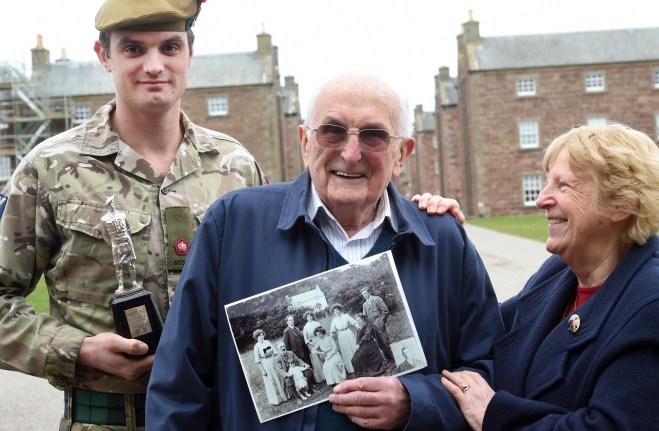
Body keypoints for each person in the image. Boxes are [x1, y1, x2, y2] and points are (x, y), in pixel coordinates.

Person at [146, 72, 504, 430]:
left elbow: (488, 369)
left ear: (402, 154)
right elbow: (180, 383)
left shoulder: (442, 241)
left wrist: (416, 402)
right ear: (305, 142)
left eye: (374, 136)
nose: (351, 154)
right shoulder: (234, 223)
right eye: (332, 131)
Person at [0, 1, 266, 429]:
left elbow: (278, 284)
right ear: (104, 55)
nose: (155, 65)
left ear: (190, 54)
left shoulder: (237, 166)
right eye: (134, 49)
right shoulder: (48, 169)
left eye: (170, 47)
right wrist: (79, 350)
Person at [440, 123, 659, 430]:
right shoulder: (559, 272)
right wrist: (436, 236)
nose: (542, 199)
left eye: (564, 186)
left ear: (623, 204)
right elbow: (482, 335)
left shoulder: (650, 304)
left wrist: (492, 415)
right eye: (546, 184)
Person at [360, 286, 395, 364]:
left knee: (386, 342)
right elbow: (365, 316)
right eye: (363, 294)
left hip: (380, 326)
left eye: (365, 293)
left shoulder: (376, 299)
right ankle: (389, 359)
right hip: (373, 328)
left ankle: (395, 357)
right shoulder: (364, 305)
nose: (364, 295)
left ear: (369, 292)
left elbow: (385, 311)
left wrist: (381, 322)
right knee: (380, 344)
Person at [254, 330, 288, 406]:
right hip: (266, 364)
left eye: (262, 335)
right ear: (257, 337)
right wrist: (263, 370)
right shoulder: (256, 346)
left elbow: (275, 353)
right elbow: (257, 361)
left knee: (279, 378)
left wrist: (278, 362)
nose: (262, 336)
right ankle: (276, 400)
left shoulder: (267, 342)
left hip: (273, 361)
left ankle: (284, 397)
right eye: (260, 336)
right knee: (272, 380)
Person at [328, 304, 359, 374]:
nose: (336, 312)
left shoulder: (345, 316)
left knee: (354, 347)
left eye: (337, 310)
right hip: (341, 335)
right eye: (335, 311)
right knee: (346, 350)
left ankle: (360, 364)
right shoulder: (334, 320)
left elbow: (354, 322)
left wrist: (358, 327)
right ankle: (351, 368)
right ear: (333, 313)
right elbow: (332, 331)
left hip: (348, 332)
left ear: (340, 310)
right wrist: (331, 338)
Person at [351, 313, 385, 377]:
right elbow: (358, 338)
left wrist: (359, 344)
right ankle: (360, 374)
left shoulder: (368, 325)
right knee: (353, 359)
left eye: (359, 320)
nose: (358, 321)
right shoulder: (358, 328)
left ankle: (364, 373)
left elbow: (367, 336)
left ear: (363, 319)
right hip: (362, 345)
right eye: (357, 320)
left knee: (358, 358)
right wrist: (357, 345)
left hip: (369, 344)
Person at [283, 314, 313, 379]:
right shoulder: (286, 331)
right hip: (297, 354)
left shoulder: (296, 328)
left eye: (293, 320)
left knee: (308, 365)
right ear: (287, 322)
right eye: (290, 320)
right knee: (302, 369)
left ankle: (313, 382)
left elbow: (302, 338)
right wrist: (290, 356)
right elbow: (286, 345)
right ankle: (308, 386)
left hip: (304, 351)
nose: (292, 321)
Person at [302, 311, 326, 384]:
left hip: (320, 340)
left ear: (312, 316)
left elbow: (322, 332)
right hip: (312, 344)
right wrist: (310, 343)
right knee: (317, 360)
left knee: (324, 356)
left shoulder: (317, 323)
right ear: (306, 318)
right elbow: (305, 339)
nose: (310, 317)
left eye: (311, 316)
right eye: (308, 316)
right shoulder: (305, 327)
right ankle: (322, 377)